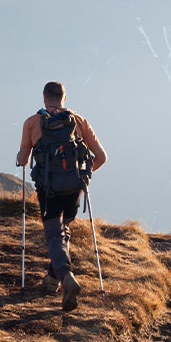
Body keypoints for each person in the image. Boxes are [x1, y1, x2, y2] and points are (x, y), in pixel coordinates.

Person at [16, 81, 107, 311]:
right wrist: (82, 175)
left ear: (45, 98)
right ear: (64, 98)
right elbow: (101, 157)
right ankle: (52, 280)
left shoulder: (33, 122)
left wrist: (20, 158)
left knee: (54, 236)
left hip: (49, 188)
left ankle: (66, 277)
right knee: (63, 231)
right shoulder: (78, 121)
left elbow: (24, 159)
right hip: (74, 188)